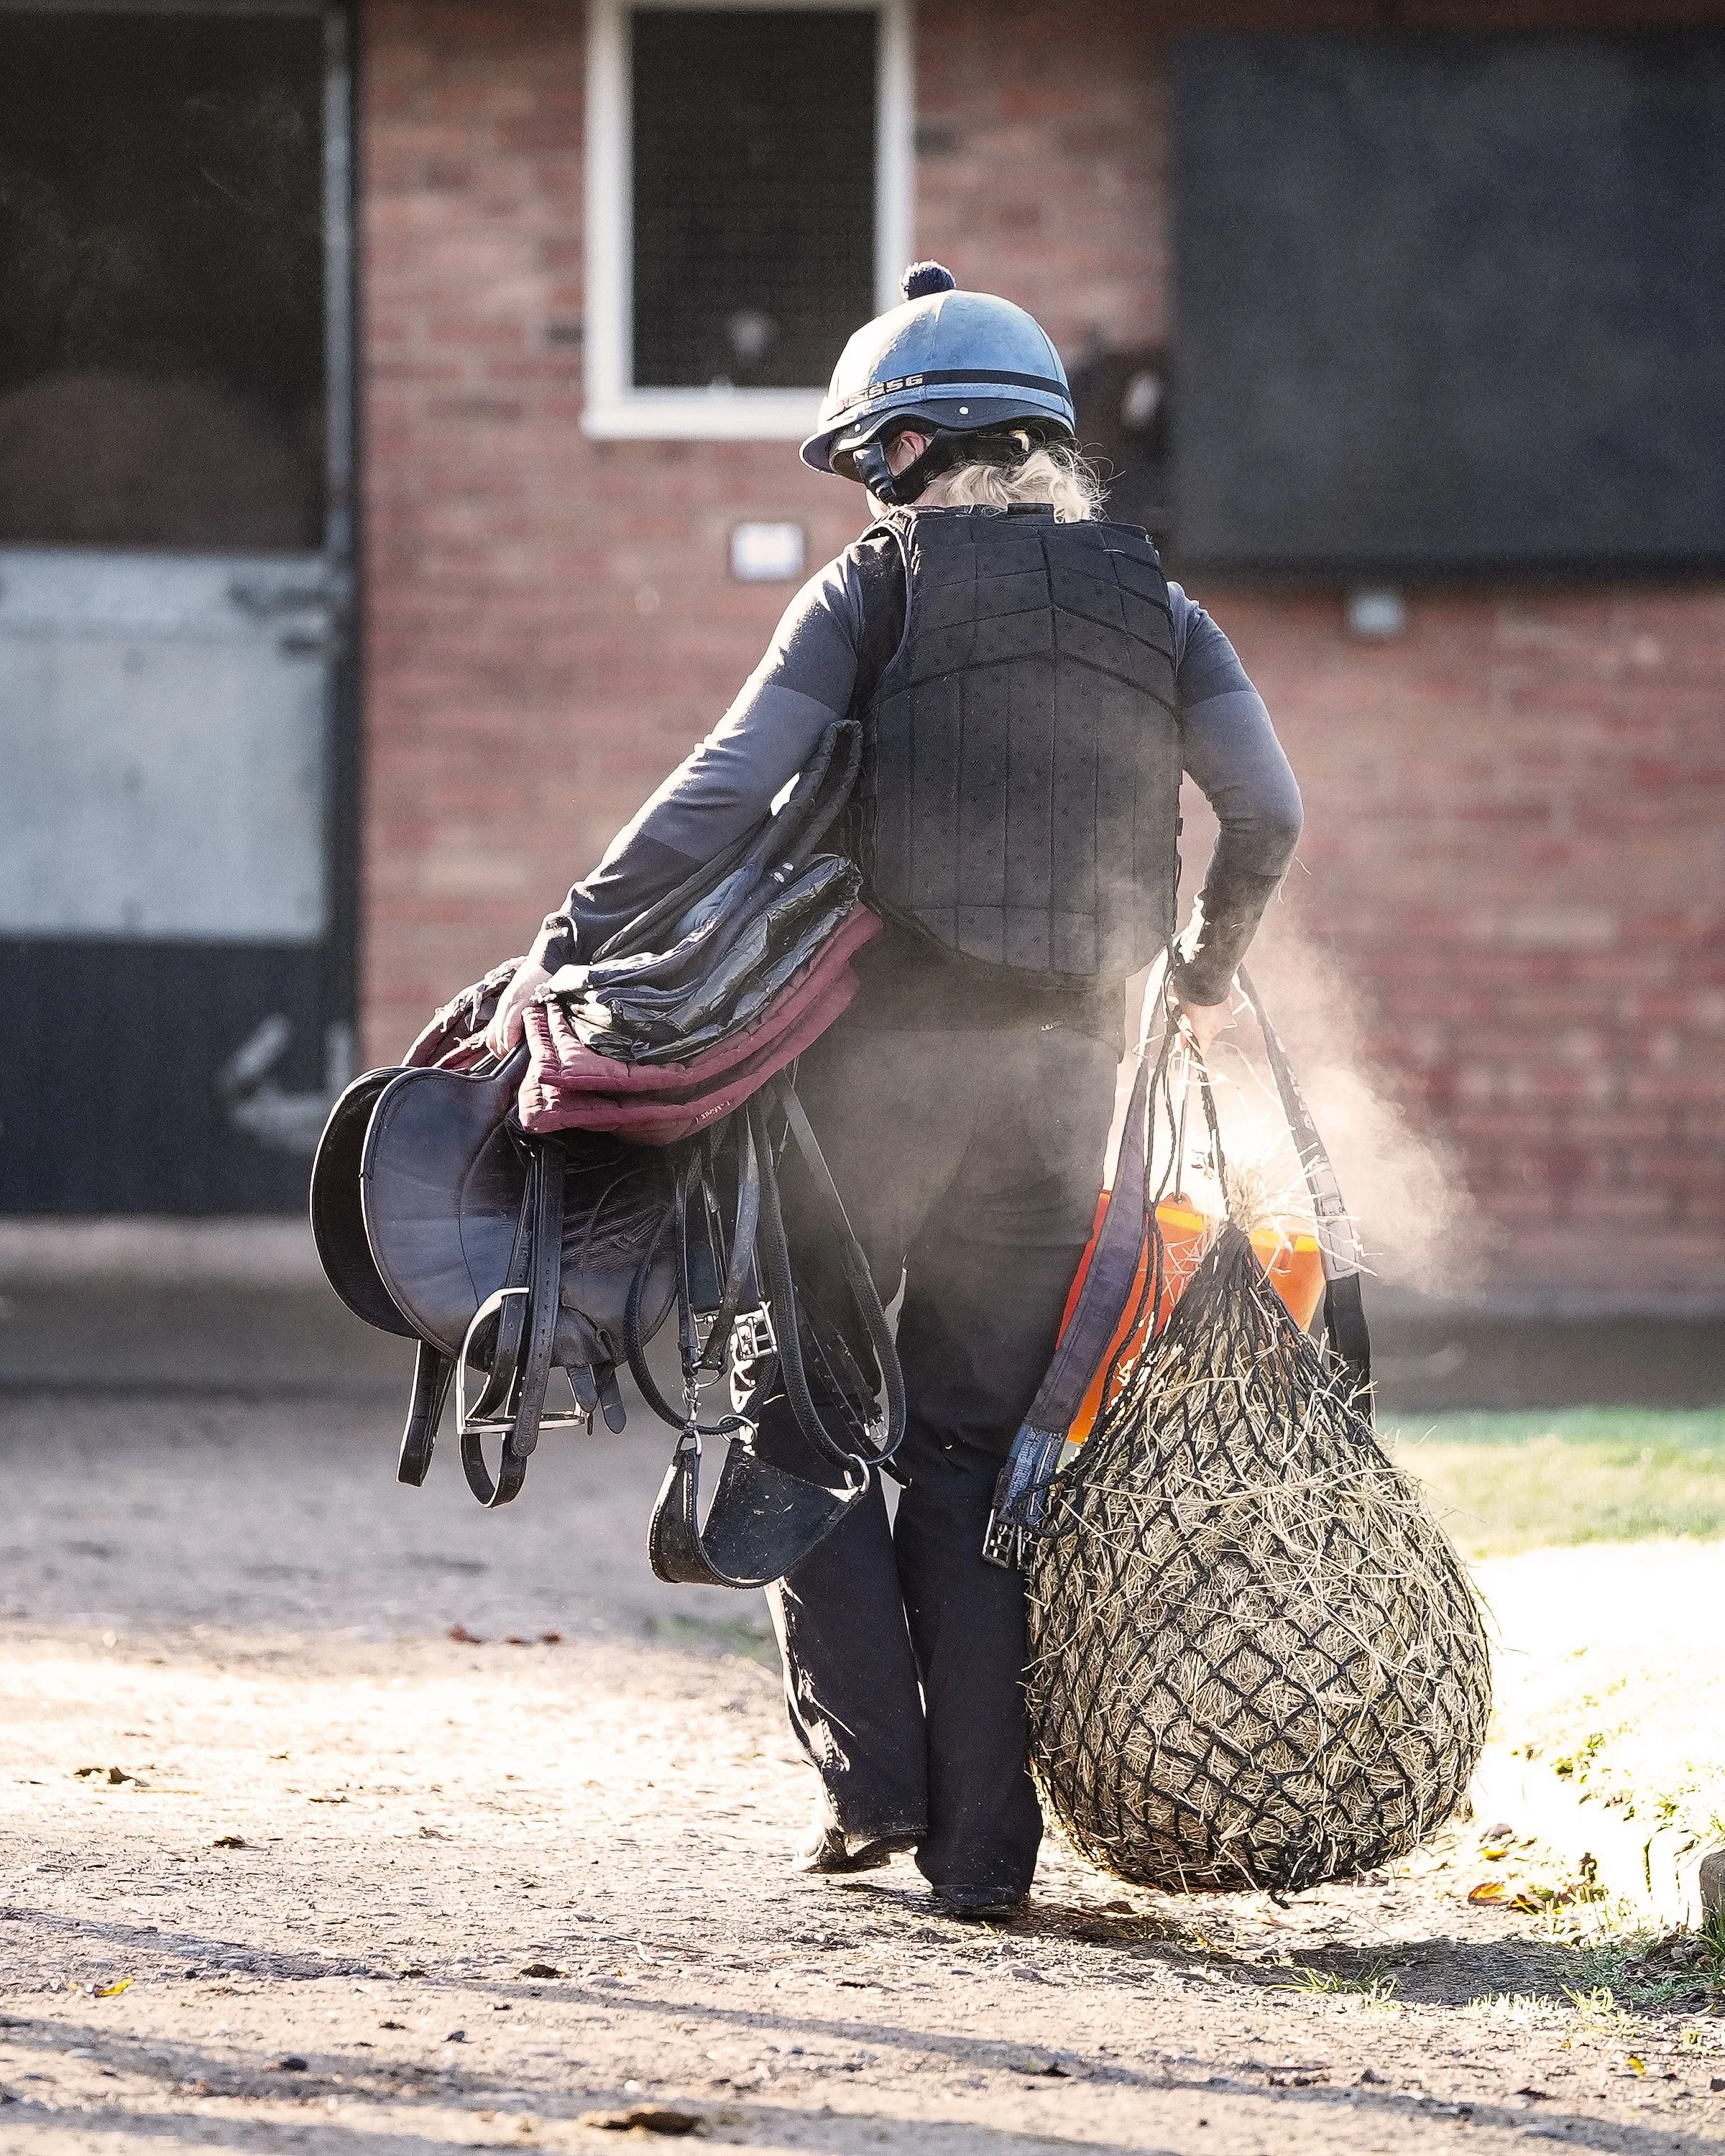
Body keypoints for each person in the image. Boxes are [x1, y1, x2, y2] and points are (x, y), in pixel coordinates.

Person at [485, 264, 1303, 1920]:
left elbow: (731, 782)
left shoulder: (879, 587)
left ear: (906, 451)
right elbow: (1267, 809)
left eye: (870, 464)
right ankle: (986, 1857)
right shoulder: (1164, 609)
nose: (870, 492)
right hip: (1065, 1085)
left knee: (791, 1408)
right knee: (976, 1451)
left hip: (864, 1085)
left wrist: (572, 935)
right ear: (1050, 445)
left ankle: (869, 1786)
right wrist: (1206, 965)